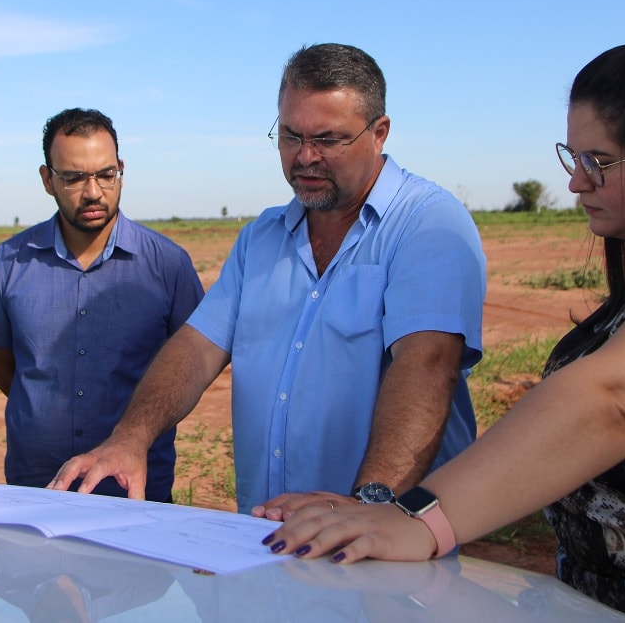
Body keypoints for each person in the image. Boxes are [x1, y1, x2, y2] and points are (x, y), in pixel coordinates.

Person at [266, 39, 625, 621]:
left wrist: (418, 517)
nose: (576, 183)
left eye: (600, 161)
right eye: (573, 159)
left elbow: (613, 401)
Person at [51, 44, 487, 516]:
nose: (305, 157)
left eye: (328, 139)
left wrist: (371, 505)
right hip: (266, 537)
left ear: (378, 133)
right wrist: (130, 438)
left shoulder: (428, 224)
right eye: (290, 136)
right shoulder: (261, 238)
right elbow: (197, 348)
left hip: (384, 548)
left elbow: (427, 365)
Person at [0, 108, 203, 501]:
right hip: (37, 484)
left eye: (106, 175)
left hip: (134, 487)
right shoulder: (10, 261)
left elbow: (191, 362)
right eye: (74, 177)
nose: (93, 191)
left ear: (121, 170)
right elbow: (5, 367)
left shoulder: (167, 264)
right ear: (47, 180)